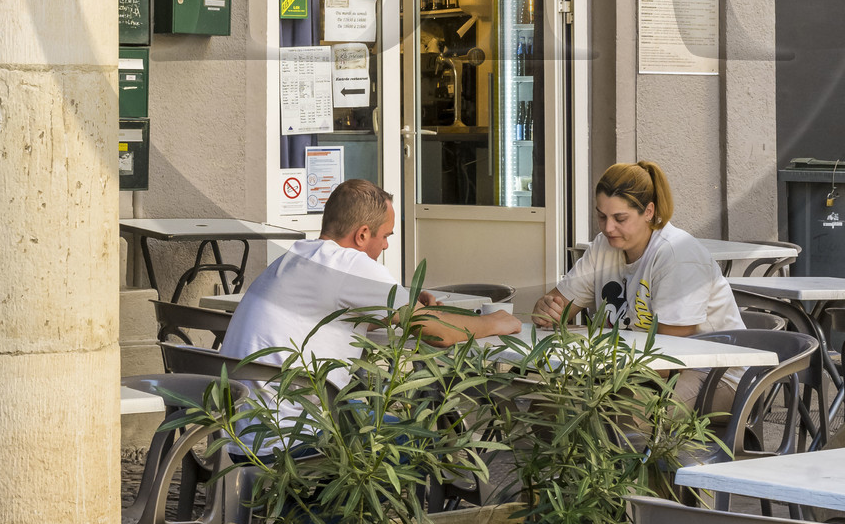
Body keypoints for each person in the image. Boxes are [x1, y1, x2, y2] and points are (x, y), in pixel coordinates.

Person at [222, 176, 520, 378]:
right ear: (363, 234)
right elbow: (438, 333)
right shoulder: (349, 265)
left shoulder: (297, 256)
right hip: (296, 441)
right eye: (386, 236)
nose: (387, 245)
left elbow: (338, 302)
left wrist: (407, 301)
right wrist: (494, 322)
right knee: (424, 443)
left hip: (241, 435)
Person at [531, 160, 740, 336]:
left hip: (713, 375)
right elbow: (552, 312)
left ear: (649, 211)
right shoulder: (603, 246)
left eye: (620, 218)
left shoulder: (676, 254)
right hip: (632, 370)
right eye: (601, 216)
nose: (608, 228)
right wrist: (546, 309)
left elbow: (669, 358)